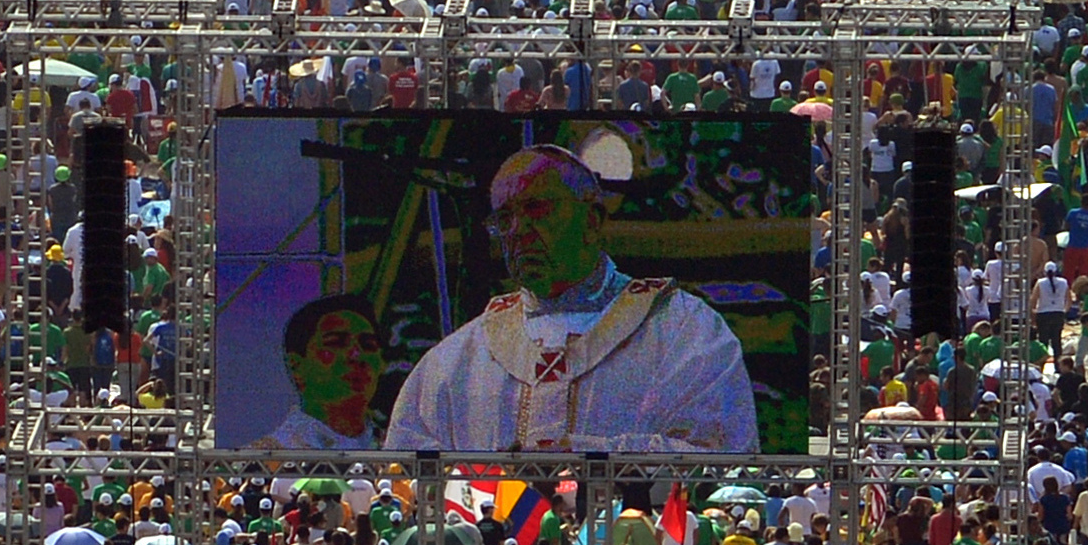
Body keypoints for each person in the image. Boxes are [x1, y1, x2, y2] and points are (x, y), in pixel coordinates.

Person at [379, 148, 763, 456]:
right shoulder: (454, 360)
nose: (518, 231)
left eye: (537, 209)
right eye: (505, 218)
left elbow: (725, 460)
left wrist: (583, 458)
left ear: (593, 220)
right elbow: (406, 474)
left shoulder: (684, 329)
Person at [259, 298, 390, 451]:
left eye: (368, 346)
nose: (356, 355)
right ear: (296, 366)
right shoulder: (265, 458)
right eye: (336, 343)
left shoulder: (400, 449)